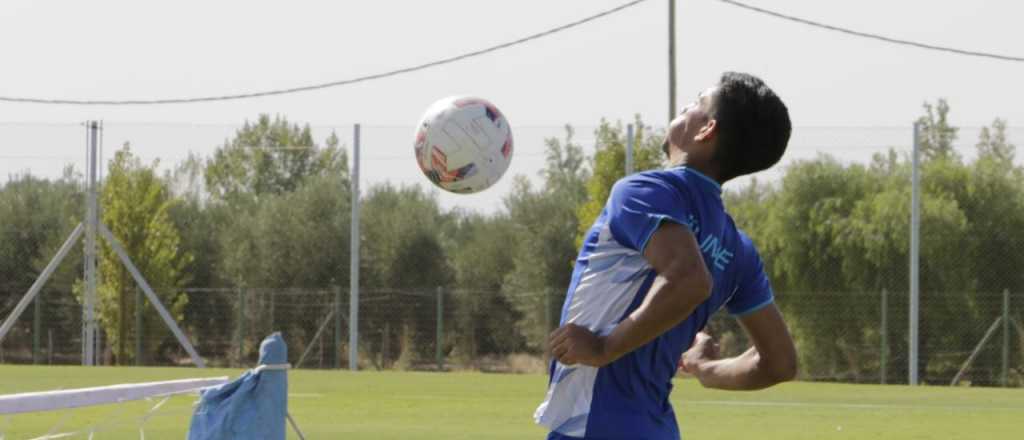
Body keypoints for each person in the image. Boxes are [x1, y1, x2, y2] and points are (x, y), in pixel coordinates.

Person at [535, 72, 798, 440]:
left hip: (594, 424)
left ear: (707, 130)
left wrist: (604, 346)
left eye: (696, 103)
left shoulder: (644, 192)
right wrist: (706, 369)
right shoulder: (738, 250)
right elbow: (779, 363)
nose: (685, 107)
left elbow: (689, 279)